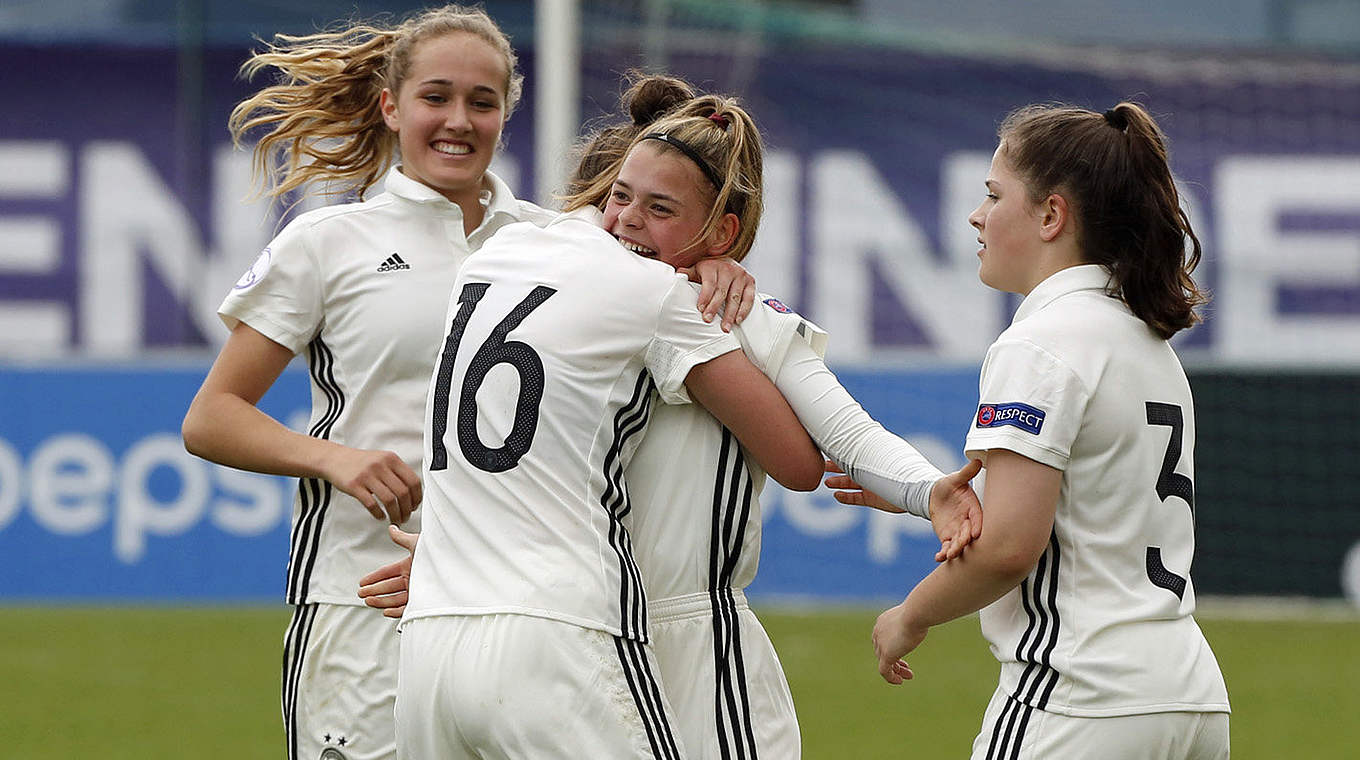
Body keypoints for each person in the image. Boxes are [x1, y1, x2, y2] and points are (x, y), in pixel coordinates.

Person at [178, 8, 754, 760]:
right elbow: (211, 418)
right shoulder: (327, 243)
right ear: (391, 106)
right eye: (436, 97)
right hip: (361, 600)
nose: (459, 121)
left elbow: (659, 254)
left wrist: (713, 265)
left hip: (506, 607)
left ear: (507, 110)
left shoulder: (547, 239)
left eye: (481, 102)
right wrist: (337, 459)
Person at [372, 78, 983, 759]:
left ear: (720, 231)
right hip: (585, 630)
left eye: (659, 207)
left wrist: (930, 491)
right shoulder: (623, 291)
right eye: (620, 197)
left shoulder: (730, 311)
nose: (627, 220)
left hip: (694, 646)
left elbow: (842, 432)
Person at [862, 102, 1230, 759]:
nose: (977, 215)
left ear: (1051, 215)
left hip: (1082, 696)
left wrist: (908, 617)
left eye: (993, 195)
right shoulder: (1148, 341)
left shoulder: (1040, 342)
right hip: (1192, 696)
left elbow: (1009, 546)